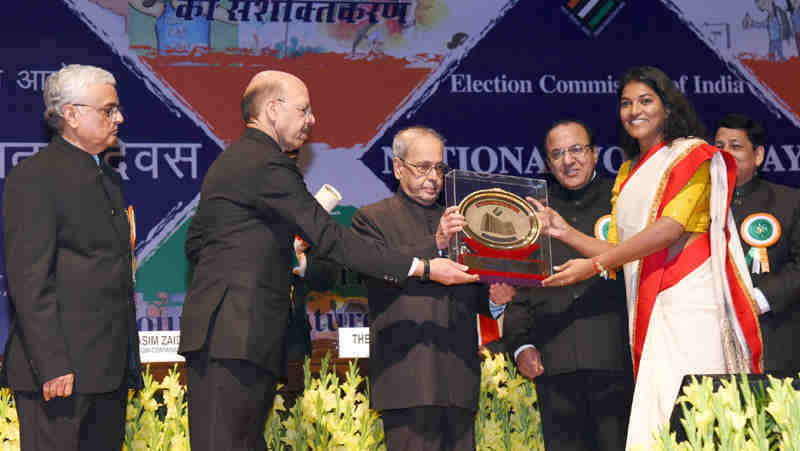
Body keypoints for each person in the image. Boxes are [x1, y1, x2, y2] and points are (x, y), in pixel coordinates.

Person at [178, 71, 478, 451]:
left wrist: (274, 252)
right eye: (304, 109)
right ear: (273, 109)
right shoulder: (266, 163)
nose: (311, 120)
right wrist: (423, 266)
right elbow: (330, 237)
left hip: (233, 333)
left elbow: (198, 244)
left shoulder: (238, 160)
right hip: (234, 332)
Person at [531, 66, 763, 450]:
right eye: (626, 103)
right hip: (649, 311)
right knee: (658, 422)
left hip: (690, 306)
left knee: (695, 414)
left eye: (645, 100)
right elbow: (621, 253)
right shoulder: (628, 171)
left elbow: (671, 228)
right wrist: (564, 232)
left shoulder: (694, 157)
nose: (633, 110)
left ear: (667, 107)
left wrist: (592, 266)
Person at [2, 64, 142, 450]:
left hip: (106, 372)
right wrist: (53, 364)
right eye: (108, 110)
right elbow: (30, 281)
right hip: (60, 373)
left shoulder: (109, 179)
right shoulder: (35, 178)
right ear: (72, 114)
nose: (120, 118)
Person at [350, 126, 513, 451]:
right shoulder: (370, 219)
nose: (433, 177)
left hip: (460, 378)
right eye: (422, 167)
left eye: (439, 167)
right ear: (398, 167)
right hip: (407, 378)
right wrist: (436, 243)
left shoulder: (461, 220)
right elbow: (378, 269)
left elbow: (472, 290)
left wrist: (494, 300)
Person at [503, 119, 633, 451]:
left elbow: (643, 270)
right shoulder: (533, 210)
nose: (568, 160)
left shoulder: (623, 201)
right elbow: (521, 288)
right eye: (557, 153)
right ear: (548, 163)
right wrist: (521, 345)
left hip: (618, 363)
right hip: (554, 366)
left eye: (576, 149)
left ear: (595, 154)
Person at [715, 113, 800, 373]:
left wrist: (759, 299)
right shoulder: (698, 204)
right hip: (713, 338)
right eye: (719, 147)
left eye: (736, 146)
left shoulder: (789, 201)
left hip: (774, 335)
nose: (725, 153)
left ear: (758, 155)